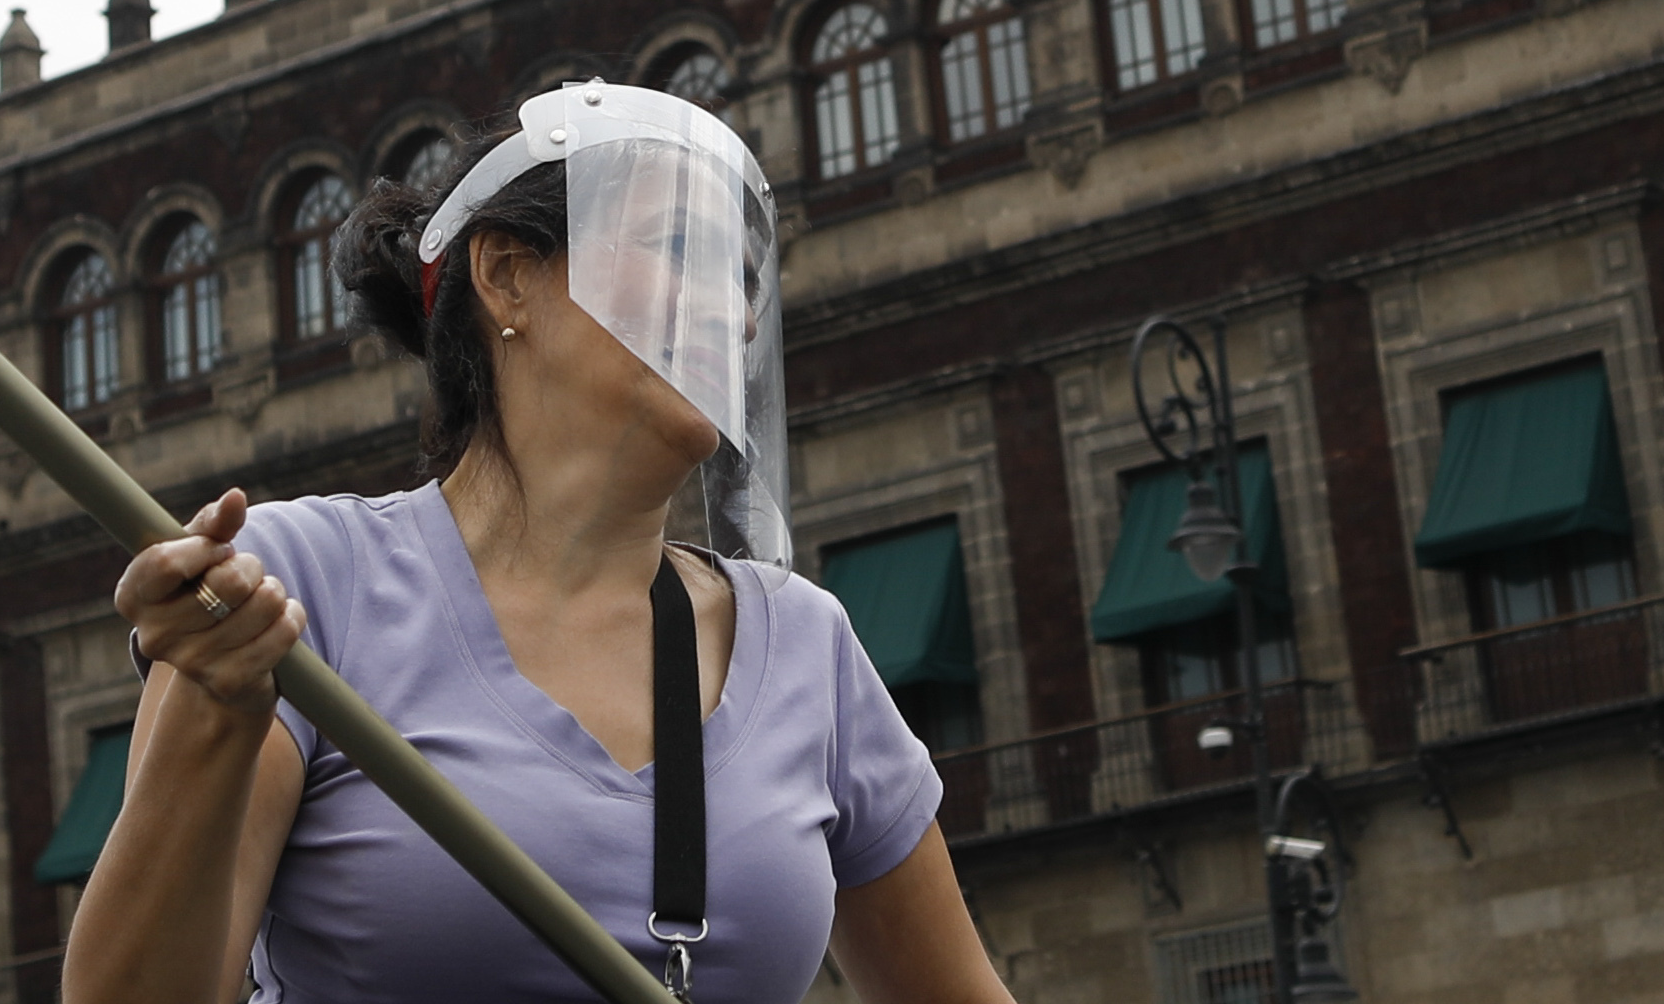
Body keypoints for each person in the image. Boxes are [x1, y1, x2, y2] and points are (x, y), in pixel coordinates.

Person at [65, 85, 1016, 1004]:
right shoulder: (302, 584)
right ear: (507, 274)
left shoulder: (806, 643)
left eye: (743, 277)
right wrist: (215, 708)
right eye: (676, 247)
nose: (734, 312)